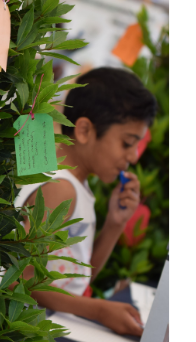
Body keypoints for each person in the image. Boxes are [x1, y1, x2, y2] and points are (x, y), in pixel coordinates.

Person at [15, 67, 157, 336]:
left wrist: (115, 224)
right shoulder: (60, 190)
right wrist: (99, 310)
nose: (134, 157)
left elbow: (76, 281)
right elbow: (21, 281)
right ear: (84, 130)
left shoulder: (77, 185)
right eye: (127, 143)